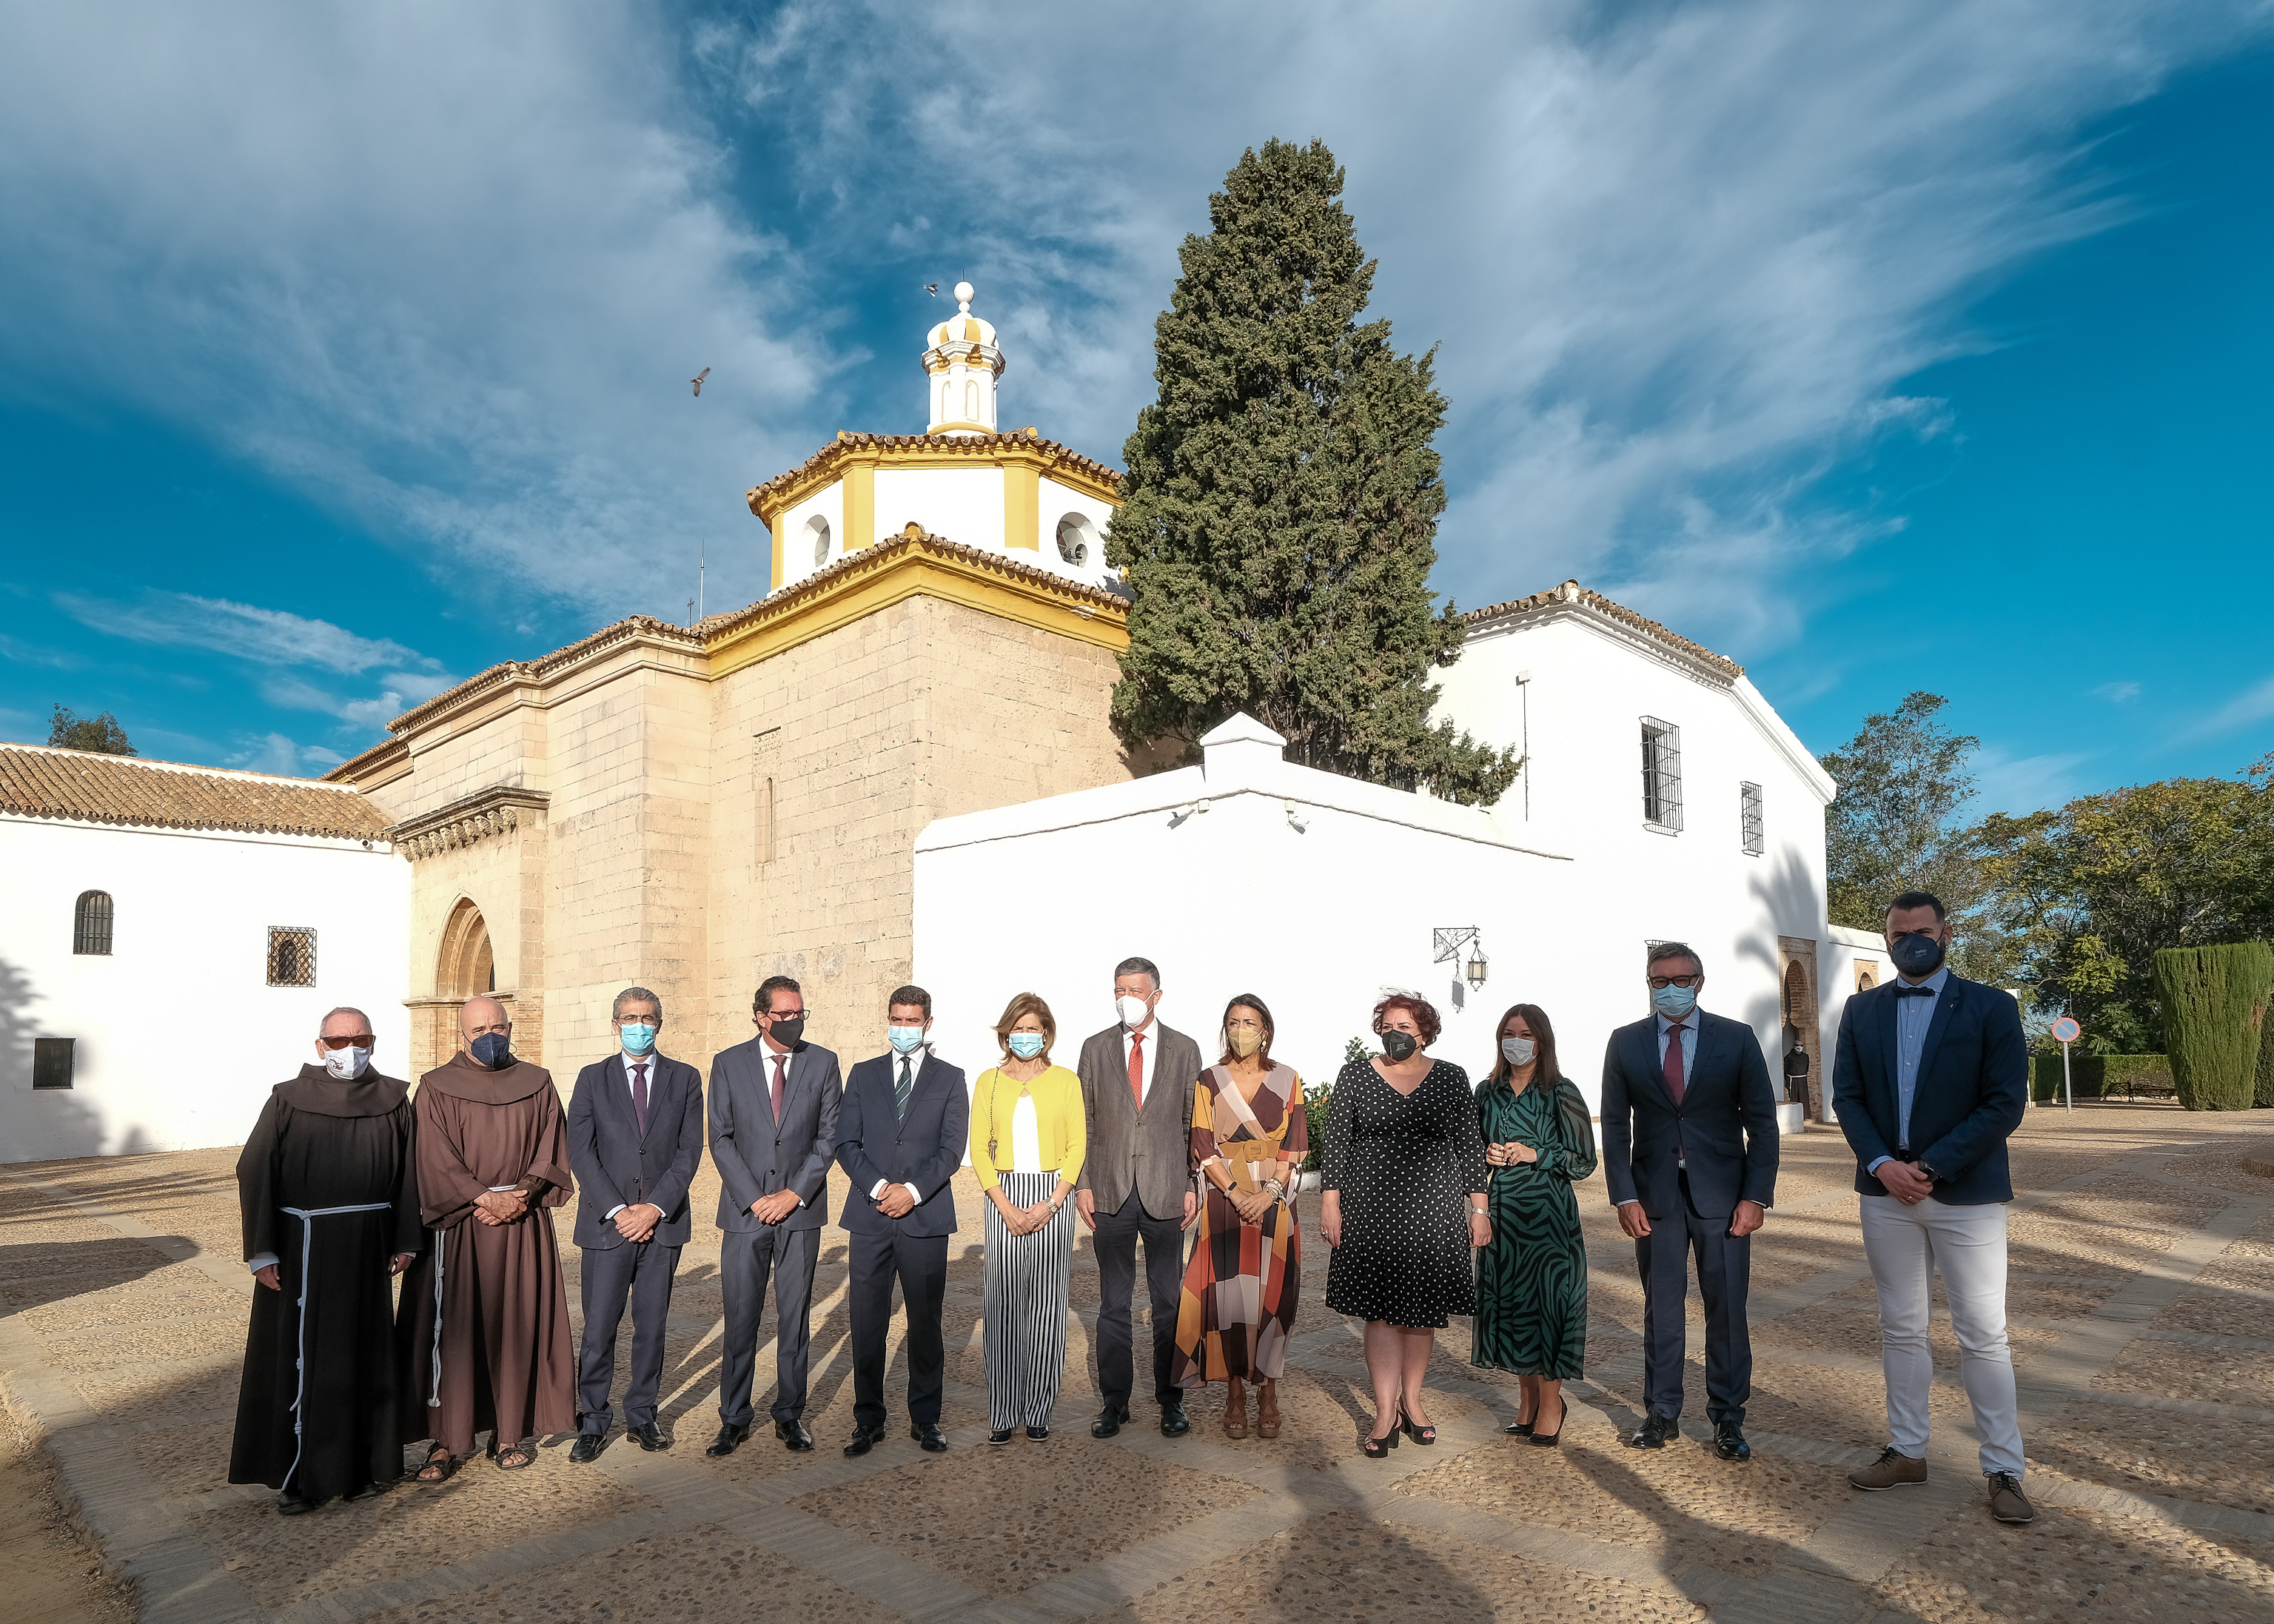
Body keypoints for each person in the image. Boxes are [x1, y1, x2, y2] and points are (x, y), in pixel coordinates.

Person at [1834, 890, 2033, 1526]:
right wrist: (1883, 1165)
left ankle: (2004, 1467)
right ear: (1887, 940)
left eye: (1922, 931)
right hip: (1885, 1192)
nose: (1910, 941)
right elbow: (1847, 1096)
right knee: (1900, 1326)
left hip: (1965, 1193)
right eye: (1899, 934)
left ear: (1947, 934)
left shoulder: (1991, 1006)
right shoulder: (1860, 1009)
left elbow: (2004, 1103)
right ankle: (1907, 1449)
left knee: (1982, 1333)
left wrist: (1931, 1165)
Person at [230, 1006, 423, 1514]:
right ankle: (301, 1476)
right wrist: (263, 1249)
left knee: (364, 1359)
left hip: (368, 1246)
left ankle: (361, 1469)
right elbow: (255, 1168)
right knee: (307, 1363)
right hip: (304, 1249)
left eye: (359, 1039)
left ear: (374, 1043)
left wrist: (406, 1240)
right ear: (320, 1048)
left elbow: (410, 1174)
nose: (349, 1049)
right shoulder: (288, 1100)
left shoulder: (394, 1101)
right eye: (337, 1041)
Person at [1600, 942, 1780, 1461]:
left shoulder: (1736, 1038)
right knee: (1662, 1310)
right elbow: (1614, 1126)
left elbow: (1763, 1124)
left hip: (1723, 1196)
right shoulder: (1626, 1042)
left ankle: (1728, 1417)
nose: (1672, 989)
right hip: (1654, 1195)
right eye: (1661, 981)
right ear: (1649, 984)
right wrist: (1623, 1195)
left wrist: (1756, 1196)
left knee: (1726, 1310)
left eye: (1682, 979)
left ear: (1700, 982)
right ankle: (1661, 1412)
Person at [399, 995, 578, 1479]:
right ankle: (447, 1441)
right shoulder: (436, 1088)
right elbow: (432, 1156)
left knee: (516, 1328)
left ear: (510, 1025)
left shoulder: (537, 1082)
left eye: (497, 1026)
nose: (490, 1036)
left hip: (521, 1225)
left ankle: (508, 1434)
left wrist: (522, 1194)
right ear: (461, 1035)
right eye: (478, 1030)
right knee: (452, 1333)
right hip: (460, 1228)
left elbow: (550, 1144)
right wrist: (482, 1197)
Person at [1321, 992, 1490, 1459]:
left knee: (1420, 1313)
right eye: (1390, 1024)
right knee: (1379, 1312)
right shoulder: (1356, 1074)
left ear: (1426, 1033)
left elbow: (1470, 1146)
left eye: (1408, 1027)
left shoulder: (1451, 1078)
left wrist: (1480, 1208)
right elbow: (1336, 1142)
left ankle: (1412, 1402)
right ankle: (1383, 1410)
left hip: (1432, 1211)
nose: (1397, 1033)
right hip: (1369, 1209)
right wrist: (1329, 1204)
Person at [563, 987, 705, 1463]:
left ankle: (643, 1414)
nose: (638, 1025)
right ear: (615, 1023)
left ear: (659, 1023)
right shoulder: (591, 1079)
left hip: (661, 1225)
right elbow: (581, 1152)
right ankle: (593, 1419)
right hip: (607, 1227)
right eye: (629, 1018)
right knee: (599, 1327)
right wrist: (619, 1210)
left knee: (652, 1327)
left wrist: (655, 1207)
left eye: (646, 1017)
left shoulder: (685, 1079)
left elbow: (689, 1151)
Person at [706, 974, 840, 1456]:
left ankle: (790, 1414)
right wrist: (753, 1196)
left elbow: (828, 1138)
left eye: (799, 1014)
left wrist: (792, 1195)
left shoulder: (823, 1063)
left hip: (799, 1216)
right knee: (741, 1318)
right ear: (762, 1016)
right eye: (784, 1015)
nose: (793, 1022)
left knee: (794, 1318)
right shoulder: (727, 1064)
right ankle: (734, 1416)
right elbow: (719, 1137)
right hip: (745, 1216)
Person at [836, 984, 970, 1457]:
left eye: (913, 1021)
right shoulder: (863, 1075)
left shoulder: (951, 1079)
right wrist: (879, 1189)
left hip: (925, 1217)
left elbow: (952, 1149)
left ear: (928, 1024)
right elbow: (845, 1143)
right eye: (897, 1019)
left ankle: (926, 1419)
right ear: (887, 1020)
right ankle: (867, 1420)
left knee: (925, 1322)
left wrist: (911, 1193)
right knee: (867, 1322)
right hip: (870, 1217)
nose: (904, 1028)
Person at [1075, 956, 1201, 1440]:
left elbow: (1195, 1125)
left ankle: (1171, 1401)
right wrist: (1084, 1182)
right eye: (1119, 989)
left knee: (1169, 1303)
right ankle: (1115, 1401)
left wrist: (1192, 1184)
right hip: (1108, 1189)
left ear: (1157, 996)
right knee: (1113, 1305)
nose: (1126, 998)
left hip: (1167, 1187)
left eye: (1135, 990)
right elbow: (1083, 1119)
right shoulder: (1095, 1048)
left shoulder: (1185, 1050)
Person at [1171, 995, 1306, 1439]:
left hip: (1274, 1200)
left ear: (1265, 1028)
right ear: (1224, 1028)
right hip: (1224, 1201)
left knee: (1275, 1297)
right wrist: (1233, 1192)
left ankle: (1268, 1390)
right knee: (1229, 1301)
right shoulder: (1209, 1079)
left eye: (1249, 1022)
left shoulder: (1288, 1079)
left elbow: (1294, 1149)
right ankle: (1233, 1392)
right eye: (1233, 1022)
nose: (1241, 1030)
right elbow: (1203, 1143)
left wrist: (1267, 1194)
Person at [1472, 1002, 1597, 1447]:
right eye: (1509, 1032)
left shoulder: (1561, 1091)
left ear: (1542, 1040)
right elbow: (1468, 1150)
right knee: (1514, 1308)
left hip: (1549, 1220)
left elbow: (1585, 1161)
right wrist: (1487, 1155)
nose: (1516, 1041)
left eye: (1526, 1033)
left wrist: (1536, 1154)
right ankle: (1525, 1403)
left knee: (1548, 1308)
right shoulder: (1487, 1093)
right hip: (1503, 1216)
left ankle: (1551, 1405)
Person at [970, 993, 1087, 1443]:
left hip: (1052, 1196)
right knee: (1000, 1307)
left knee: (1046, 1308)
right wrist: (1004, 1204)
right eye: (1017, 1029)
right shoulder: (988, 1082)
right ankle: (1002, 1411)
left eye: (1032, 1028)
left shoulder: (1065, 1081)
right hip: (1003, 1195)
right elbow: (979, 1147)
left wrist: (1053, 1201)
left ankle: (1038, 1407)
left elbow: (1077, 1144)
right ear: (1005, 1033)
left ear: (1047, 1032)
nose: (1024, 1036)